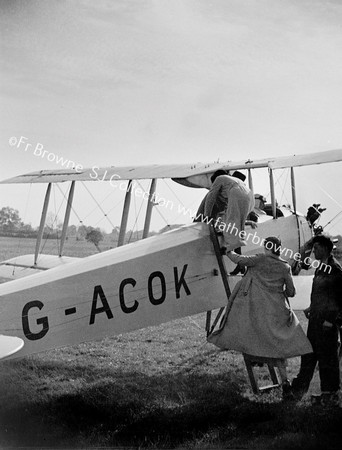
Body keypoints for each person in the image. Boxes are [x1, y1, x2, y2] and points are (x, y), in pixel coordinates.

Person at [208, 236, 313, 395]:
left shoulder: (259, 259)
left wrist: (226, 251)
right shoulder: (285, 267)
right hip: (278, 311)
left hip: (259, 310)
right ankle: (285, 381)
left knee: (258, 340)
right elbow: (291, 292)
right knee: (279, 347)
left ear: (267, 247)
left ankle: (260, 362)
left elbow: (239, 260)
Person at [290, 235, 342, 406]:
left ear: (326, 249)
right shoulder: (321, 267)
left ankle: (330, 395)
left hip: (327, 323)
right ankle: (298, 389)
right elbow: (320, 293)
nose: (314, 252)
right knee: (309, 353)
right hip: (315, 319)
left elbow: (338, 298)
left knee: (328, 359)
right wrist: (311, 307)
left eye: (317, 248)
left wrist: (330, 320)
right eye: (314, 249)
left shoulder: (334, 269)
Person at [204, 170, 255, 251]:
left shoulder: (219, 179)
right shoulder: (233, 181)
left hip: (237, 193)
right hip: (250, 196)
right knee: (237, 226)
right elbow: (226, 208)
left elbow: (210, 197)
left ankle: (229, 249)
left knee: (231, 227)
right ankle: (239, 255)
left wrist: (207, 216)